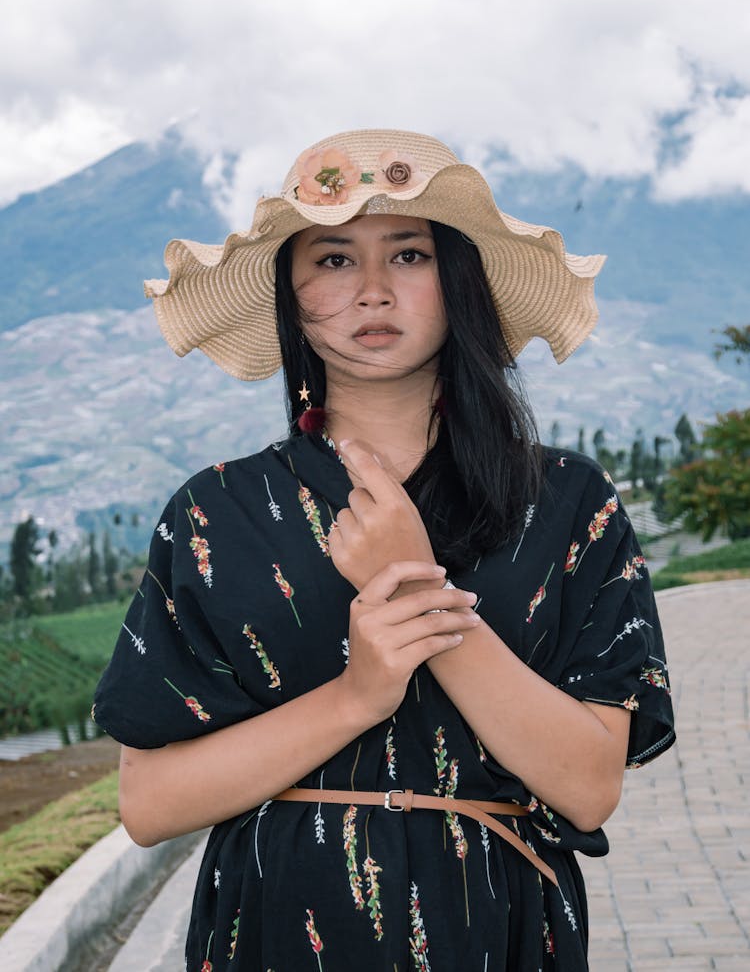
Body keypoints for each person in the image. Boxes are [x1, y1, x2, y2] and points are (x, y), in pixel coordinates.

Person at [93, 129, 675, 971]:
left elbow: (590, 784)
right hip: (275, 932)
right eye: (332, 260)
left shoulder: (568, 504)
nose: (371, 290)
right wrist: (359, 694)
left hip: (499, 932)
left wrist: (415, 592)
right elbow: (148, 801)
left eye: (407, 253)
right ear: (290, 297)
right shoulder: (216, 514)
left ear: (460, 283)